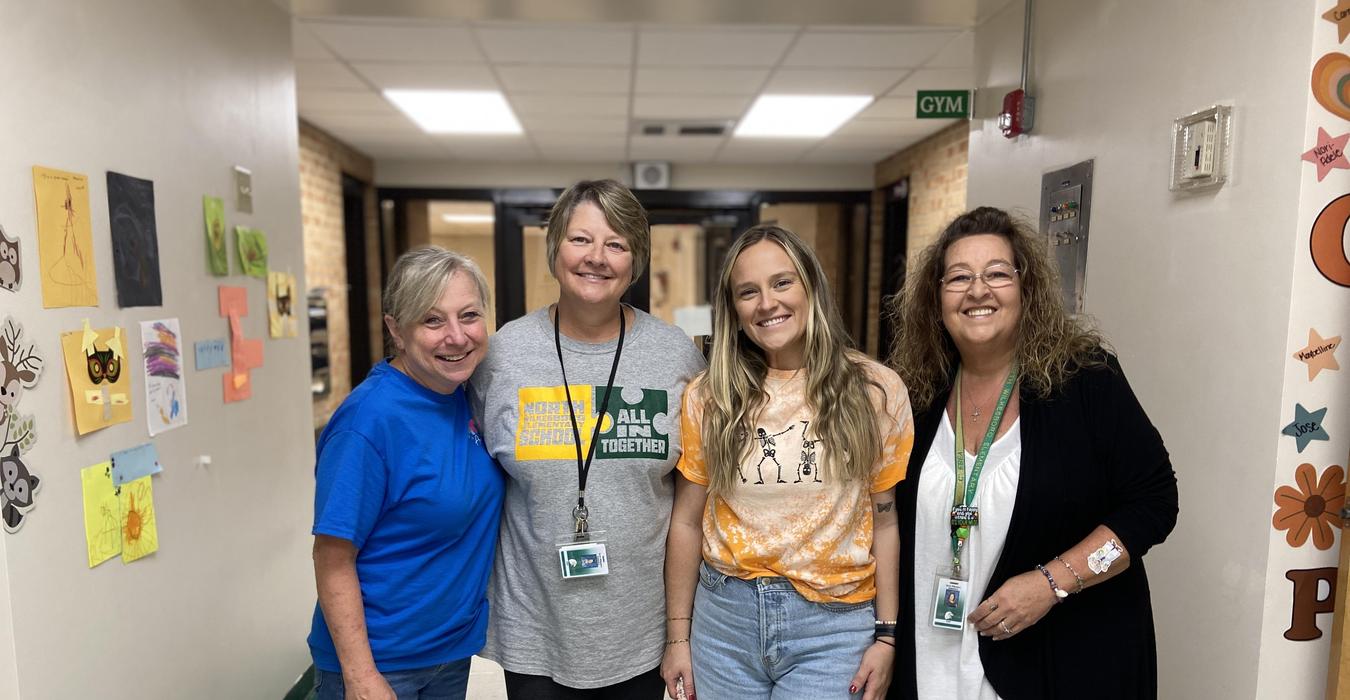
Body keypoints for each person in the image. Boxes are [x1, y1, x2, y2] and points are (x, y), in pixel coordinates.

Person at [886, 207, 1179, 699]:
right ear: (935, 300)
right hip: (933, 664)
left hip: (1055, 664)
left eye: (997, 273)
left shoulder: (1086, 381)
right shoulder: (915, 396)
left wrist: (1054, 583)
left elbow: (1153, 506)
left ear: (1027, 289)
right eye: (958, 277)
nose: (978, 290)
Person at [470, 179, 706, 698]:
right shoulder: (503, 355)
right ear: (555, 248)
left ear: (634, 262)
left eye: (616, 244)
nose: (596, 258)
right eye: (581, 240)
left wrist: (679, 633)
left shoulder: (678, 359)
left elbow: (695, 498)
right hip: (533, 625)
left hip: (642, 631)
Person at [662, 224, 914, 700]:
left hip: (833, 628)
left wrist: (887, 635)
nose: (767, 303)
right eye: (748, 292)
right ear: (733, 311)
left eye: (782, 282)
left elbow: (885, 521)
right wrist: (678, 637)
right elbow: (687, 521)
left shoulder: (876, 390)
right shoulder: (710, 396)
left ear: (811, 287)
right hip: (725, 621)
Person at [309, 247, 505, 700]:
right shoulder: (369, 422)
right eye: (432, 321)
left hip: (448, 654)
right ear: (396, 330)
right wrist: (360, 676)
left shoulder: (462, 393)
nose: (456, 337)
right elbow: (333, 558)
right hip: (381, 664)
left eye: (469, 315)